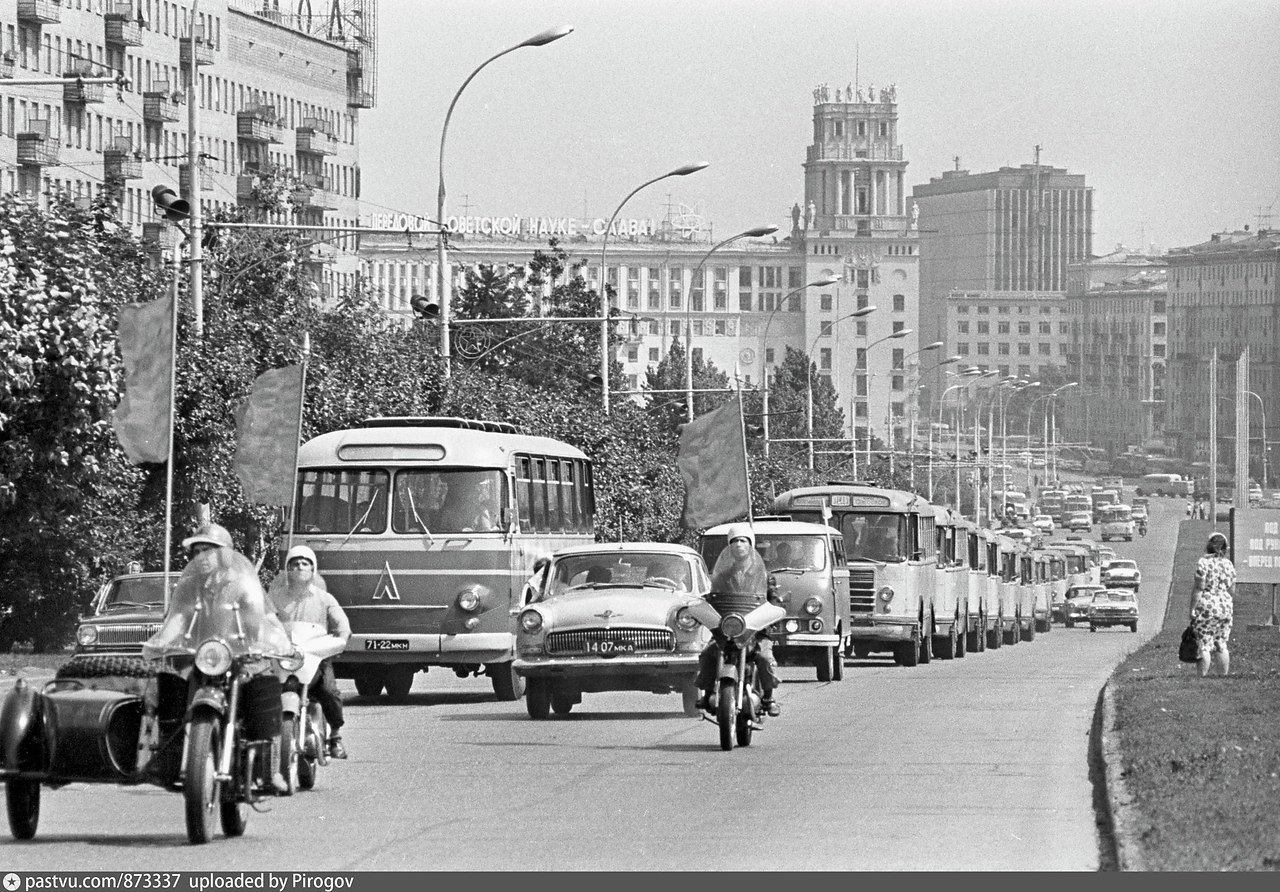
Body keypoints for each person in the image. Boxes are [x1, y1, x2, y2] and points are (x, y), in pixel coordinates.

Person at [177, 523, 292, 794]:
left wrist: (277, 640)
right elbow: (179, 617)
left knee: (264, 684)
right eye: (198, 551)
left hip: (242, 656)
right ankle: (170, 759)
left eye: (209, 550)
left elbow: (265, 618)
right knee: (168, 683)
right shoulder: (188, 586)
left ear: (225, 554)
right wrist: (159, 642)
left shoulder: (243, 584)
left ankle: (269, 767)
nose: (202, 556)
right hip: (204, 657)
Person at [269, 544, 352, 759]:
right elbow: (263, 619)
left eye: (305, 563)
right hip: (283, 656)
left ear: (313, 569)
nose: (300, 567)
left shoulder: (325, 598)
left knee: (328, 691)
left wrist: (341, 637)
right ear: (287, 568)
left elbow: (342, 624)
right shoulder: (274, 596)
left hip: (315, 657)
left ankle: (335, 735)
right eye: (294, 563)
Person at [694, 524, 781, 717]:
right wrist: (702, 606)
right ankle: (708, 692)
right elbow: (715, 595)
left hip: (755, 631)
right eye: (734, 541)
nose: (738, 544)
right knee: (708, 654)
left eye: (743, 540)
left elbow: (773, 599)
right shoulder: (723, 575)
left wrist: (773, 612)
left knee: (765, 658)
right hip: (728, 630)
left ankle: (768, 698)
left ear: (750, 545)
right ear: (729, 547)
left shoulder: (765, 576)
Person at [1189, 532, 1236, 678]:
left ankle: (1201, 676)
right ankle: (1223, 676)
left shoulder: (1203, 562)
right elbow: (1232, 589)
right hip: (1225, 605)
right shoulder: (1228, 564)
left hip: (1206, 605)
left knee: (1204, 643)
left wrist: (1192, 608)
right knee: (1221, 643)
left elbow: (1199, 588)